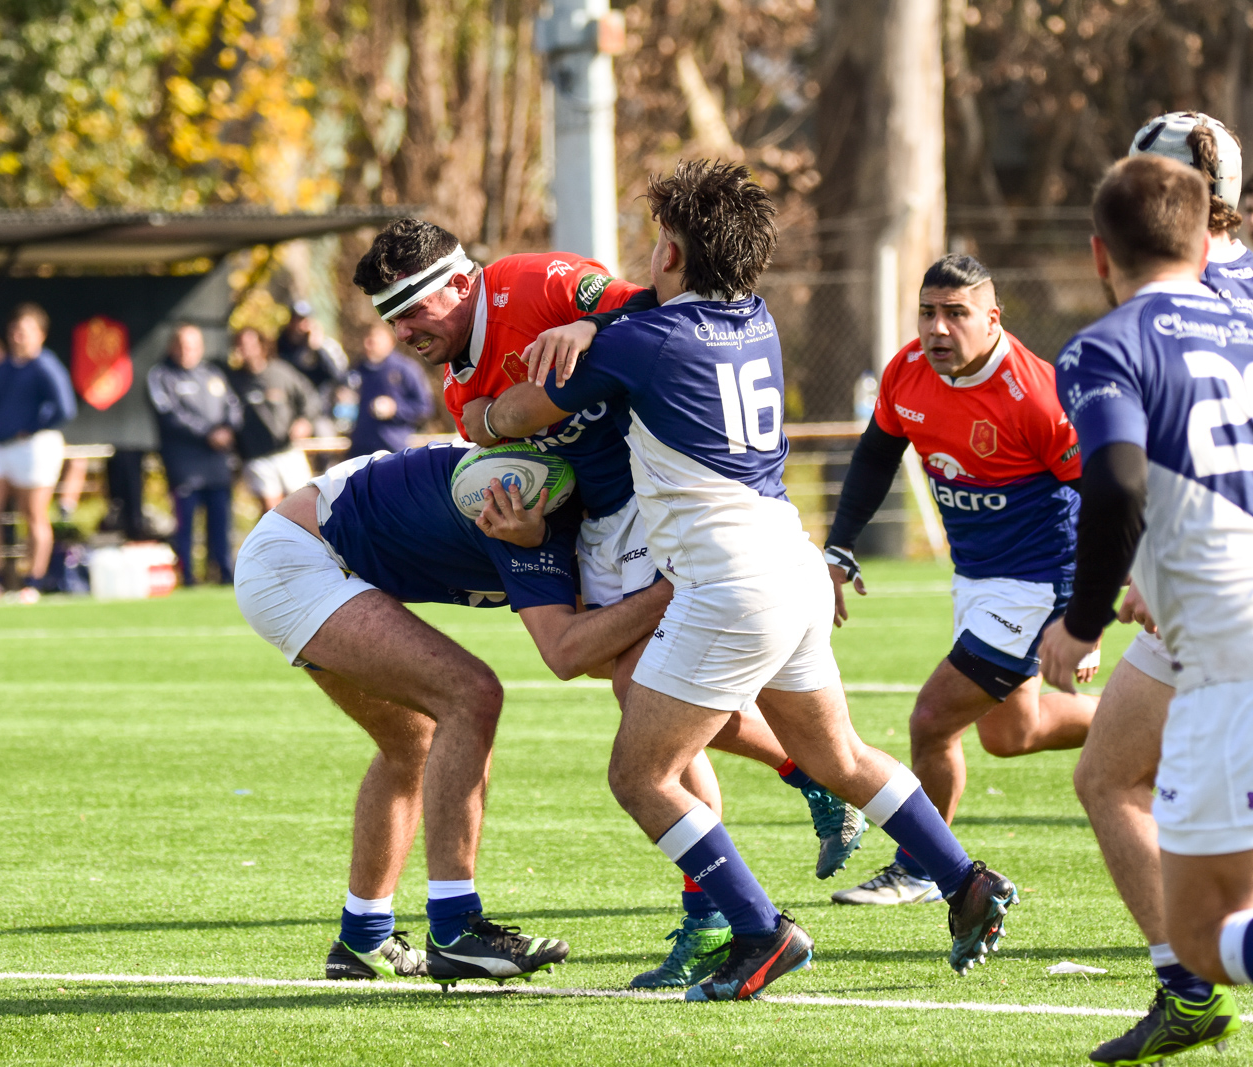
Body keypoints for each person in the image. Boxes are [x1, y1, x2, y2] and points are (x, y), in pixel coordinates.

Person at [480, 160, 1017, 1000]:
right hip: (791, 565)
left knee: (641, 775)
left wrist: (495, 402)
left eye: (658, 238)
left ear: (671, 253)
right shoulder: (756, 317)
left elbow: (512, 417)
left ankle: (761, 930)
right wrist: (599, 330)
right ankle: (966, 880)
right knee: (834, 754)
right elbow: (651, 329)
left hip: (730, 583)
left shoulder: (641, 339)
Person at [355, 216, 869, 990]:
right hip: (603, 521)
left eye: (413, 309)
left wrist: (586, 322)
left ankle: (724, 907)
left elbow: (659, 306)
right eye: (389, 318)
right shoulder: (461, 378)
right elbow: (509, 445)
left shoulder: (539, 282)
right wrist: (519, 507)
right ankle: (795, 797)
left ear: (461, 283)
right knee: (635, 689)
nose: (402, 332)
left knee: (643, 698)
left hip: (664, 497)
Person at [234, 442, 665, 984]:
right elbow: (576, 653)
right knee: (471, 694)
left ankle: (361, 939)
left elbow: (612, 658)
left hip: (303, 557)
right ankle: (457, 928)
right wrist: (674, 596)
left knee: (410, 746)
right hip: (298, 560)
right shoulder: (532, 492)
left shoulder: (577, 508)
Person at [816, 253, 1098, 907]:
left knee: (933, 720)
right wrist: (841, 546)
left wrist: (1083, 615)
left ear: (992, 318)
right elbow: (876, 453)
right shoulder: (906, 373)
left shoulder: (1035, 393)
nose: (938, 328)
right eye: (928, 312)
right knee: (1010, 733)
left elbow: (1100, 496)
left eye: (956, 313)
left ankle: (922, 864)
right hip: (975, 576)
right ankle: (1162, 723)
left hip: (1036, 584)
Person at [1066, 113, 1251, 1065]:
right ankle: (1187, 985)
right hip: (1207, 582)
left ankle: (1194, 969)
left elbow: (1124, 477)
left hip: (1224, 606)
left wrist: (1104, 594)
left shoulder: (1145, 321)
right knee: (1106, 773)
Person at [0, 303, 77, 604]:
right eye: (15, 331)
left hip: (35, 448)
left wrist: (30, 427)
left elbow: (65, 408)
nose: (19, 336)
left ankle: (33, 582)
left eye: (26, 331)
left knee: (33, 513)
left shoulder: (45, 365)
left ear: (40, 335)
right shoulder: (1, 368)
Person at [147, 323, 242, 585]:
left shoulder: (212, 374)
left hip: (217, 465)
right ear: (171, 346)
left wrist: (227, 429)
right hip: (185, 467)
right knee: (185, 525)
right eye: (181, 345)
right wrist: (207, 433)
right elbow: (170, 415)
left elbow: (233, 406)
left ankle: (223, 573)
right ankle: (187, 575)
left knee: (221, 525)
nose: (186, 351)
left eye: (192, 346)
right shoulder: (161, 376)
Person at [228, 327, 319, 513]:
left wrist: (304, 421)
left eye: (250, 345)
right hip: (256, 457)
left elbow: (310, 398)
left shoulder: (280, 372)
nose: (246, 350)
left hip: (287, 452)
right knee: (273, 513)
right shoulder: (233, 380)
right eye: (241, 346)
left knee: (305, 509)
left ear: (261, 346)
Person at [345, 324, 434, 457]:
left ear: (390, 342)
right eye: (366, 340)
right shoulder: (357, 370)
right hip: (360, 448)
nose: (368, 345)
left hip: (393, 448)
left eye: (373, 341)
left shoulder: (405, 369)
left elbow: (424, 407)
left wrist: (395, 409)